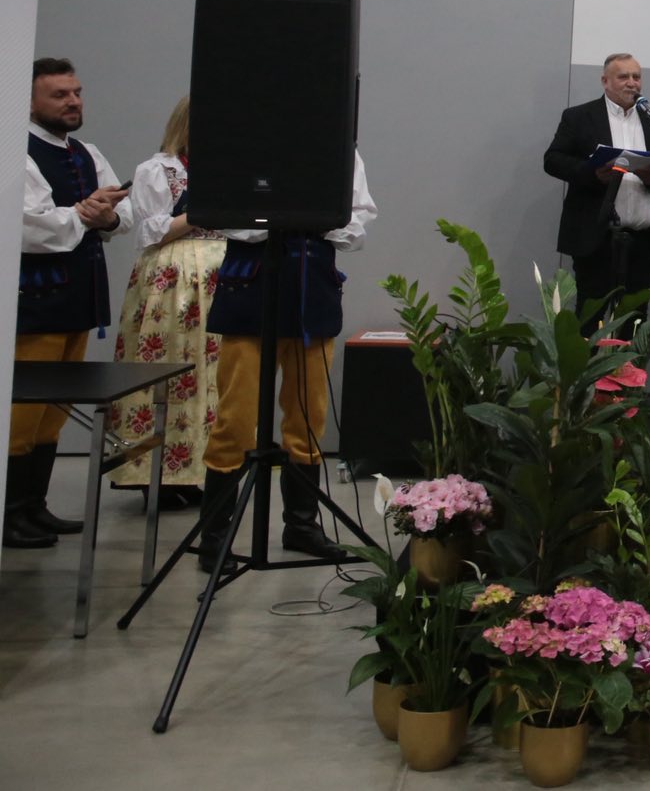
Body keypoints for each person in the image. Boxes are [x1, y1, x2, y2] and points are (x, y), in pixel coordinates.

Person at [194, 149, 375, 568]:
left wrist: (317, 220)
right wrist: (287, 217)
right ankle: (215, 535)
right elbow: (225, 215)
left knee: (308, 418)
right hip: (251, 296)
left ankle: (301, 525)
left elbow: (358, 220)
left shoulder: (339, 148)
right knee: (236, 419)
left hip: (312, 294)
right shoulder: (247, 142)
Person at [7, 59, 130, 550]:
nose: (73, 101)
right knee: (22, 413)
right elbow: (28, 225)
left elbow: (124, 213)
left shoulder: (86, 152)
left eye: (76, 92)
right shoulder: (17, 151)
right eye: (60, 95)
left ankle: (33, 505)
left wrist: (105, 216)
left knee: (53, 411)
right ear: (30, 101)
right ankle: (9, 514)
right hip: (36, 301)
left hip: (78, 298)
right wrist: (83, 214)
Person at [109, 96, 224, 509]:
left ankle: (209, 470)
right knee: (166, 371)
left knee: (217, 376)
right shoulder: (158, 170)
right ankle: (154, 474)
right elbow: (150, 230)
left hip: (222, 277)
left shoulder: (233, 171)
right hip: (173, 280)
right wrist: (202, 209)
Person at [542, 53, 650, 326]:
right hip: (596, 236)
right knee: (589, 317)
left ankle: (630, 357)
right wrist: (592, 173)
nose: (632, 83)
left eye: (636, 77)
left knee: (635, 318)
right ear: (605, 81)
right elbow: (553, 160)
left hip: (644, 239)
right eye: (623, 77)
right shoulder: (580, 117)